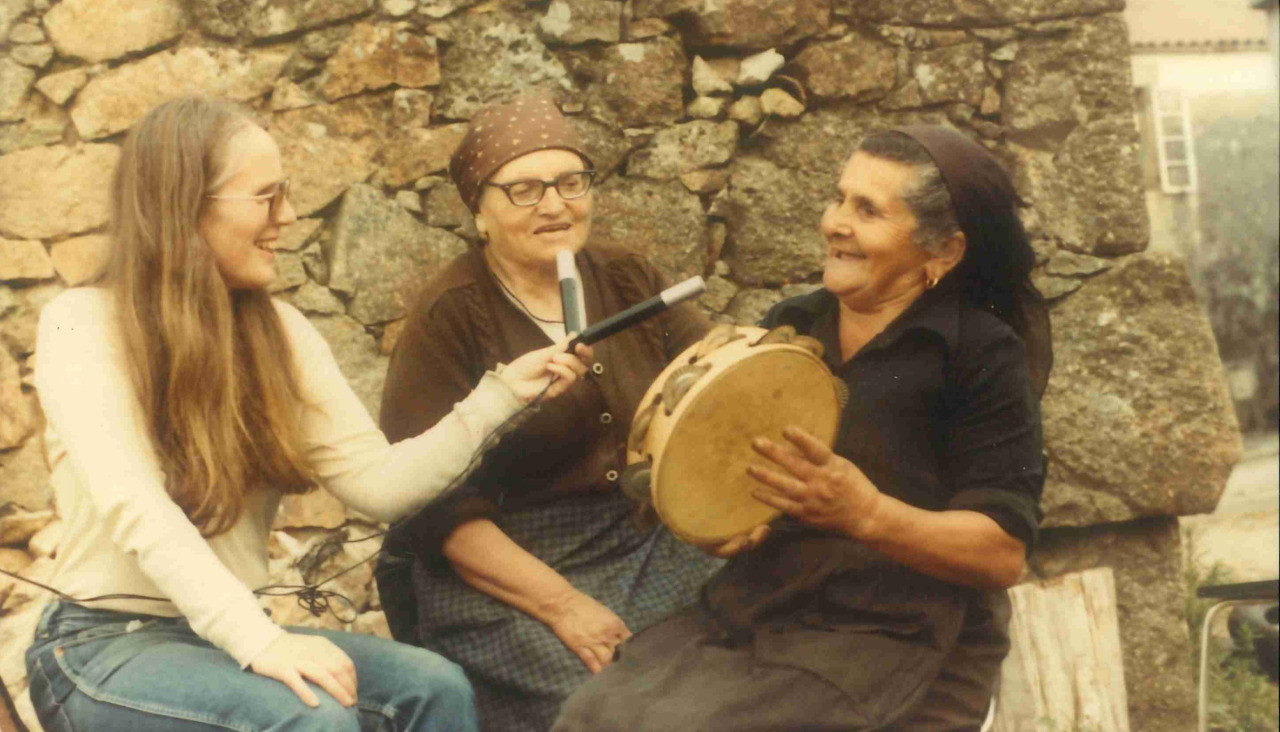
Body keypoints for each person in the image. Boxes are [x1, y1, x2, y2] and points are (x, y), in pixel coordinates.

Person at [24, 96, 591, 732]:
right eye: (266, 197)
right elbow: (137, 507)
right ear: (186, 202)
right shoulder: (82, 324)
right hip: (101, 646)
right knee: (313, 719)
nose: (287, 216)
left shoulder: (282, 334)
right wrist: (261, 641)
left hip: (213, 641)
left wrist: (498, 398)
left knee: (433, 687)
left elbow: (379, 485)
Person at [552, 125, 1054, 732]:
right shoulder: (794, 325)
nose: (835, 222)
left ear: (942, 252)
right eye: (839, 198)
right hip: (759, 612)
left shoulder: (977, 353)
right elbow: (745, 481)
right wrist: (724, 523)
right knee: (590, 717)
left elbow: (1002, 554)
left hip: (894, 632)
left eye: (867, 210)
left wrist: (864, 513)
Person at [374, 94, 724, 732]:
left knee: (750, 657)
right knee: (603, 709)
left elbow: (713, 383)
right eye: (525, 190)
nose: (556, 205)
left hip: (641, 537)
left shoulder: (625, 277)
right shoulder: (449, 315)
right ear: (479, 210)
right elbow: (428, 506)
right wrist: (562, 606)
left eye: (570, 182)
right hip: (506, 571)